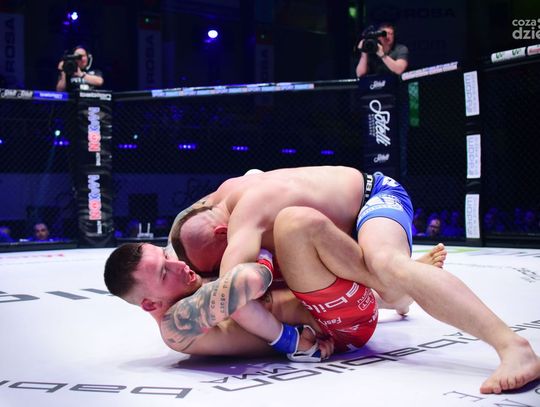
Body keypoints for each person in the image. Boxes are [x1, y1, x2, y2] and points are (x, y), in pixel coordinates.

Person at [167, 166, 540, 394]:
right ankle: (393, 292)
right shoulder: (230, 190)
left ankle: (513, 347)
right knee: (279, 251)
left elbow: (232, 286)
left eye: (215, 258)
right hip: (336, 240)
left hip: (374, 197)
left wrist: (180, 303)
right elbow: (184, 227)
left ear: (223, 233)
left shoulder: (244, 217)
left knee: (387, 262)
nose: (215, 266)